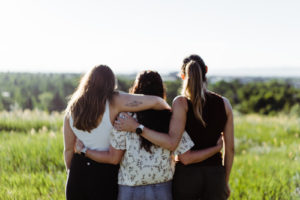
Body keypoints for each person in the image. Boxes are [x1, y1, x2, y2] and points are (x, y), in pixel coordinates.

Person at [75, 70, 223, 200]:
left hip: (129, 188)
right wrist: (216, 149)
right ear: (161, 90)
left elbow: (114, 158)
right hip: (162, 188)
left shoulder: (124, 118)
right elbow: (187, 157)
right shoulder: (170, 119)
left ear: (136, 90)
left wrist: (84, 150)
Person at [115, 55, 234, 200]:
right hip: (215, 176)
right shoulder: (225, 104)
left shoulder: (180, 104)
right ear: (206, 70)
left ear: (183, 76)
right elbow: (231, 149)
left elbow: (183, 156)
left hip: (186, 178)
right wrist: (224, 180)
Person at [63, 65, 170, 200]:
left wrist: (72, 173)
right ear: (111, 82)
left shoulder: (72, 108)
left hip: (77, 172)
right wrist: (169, 111)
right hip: (105, 173)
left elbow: (68, 150)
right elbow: (156, 101)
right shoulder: (115, 101)